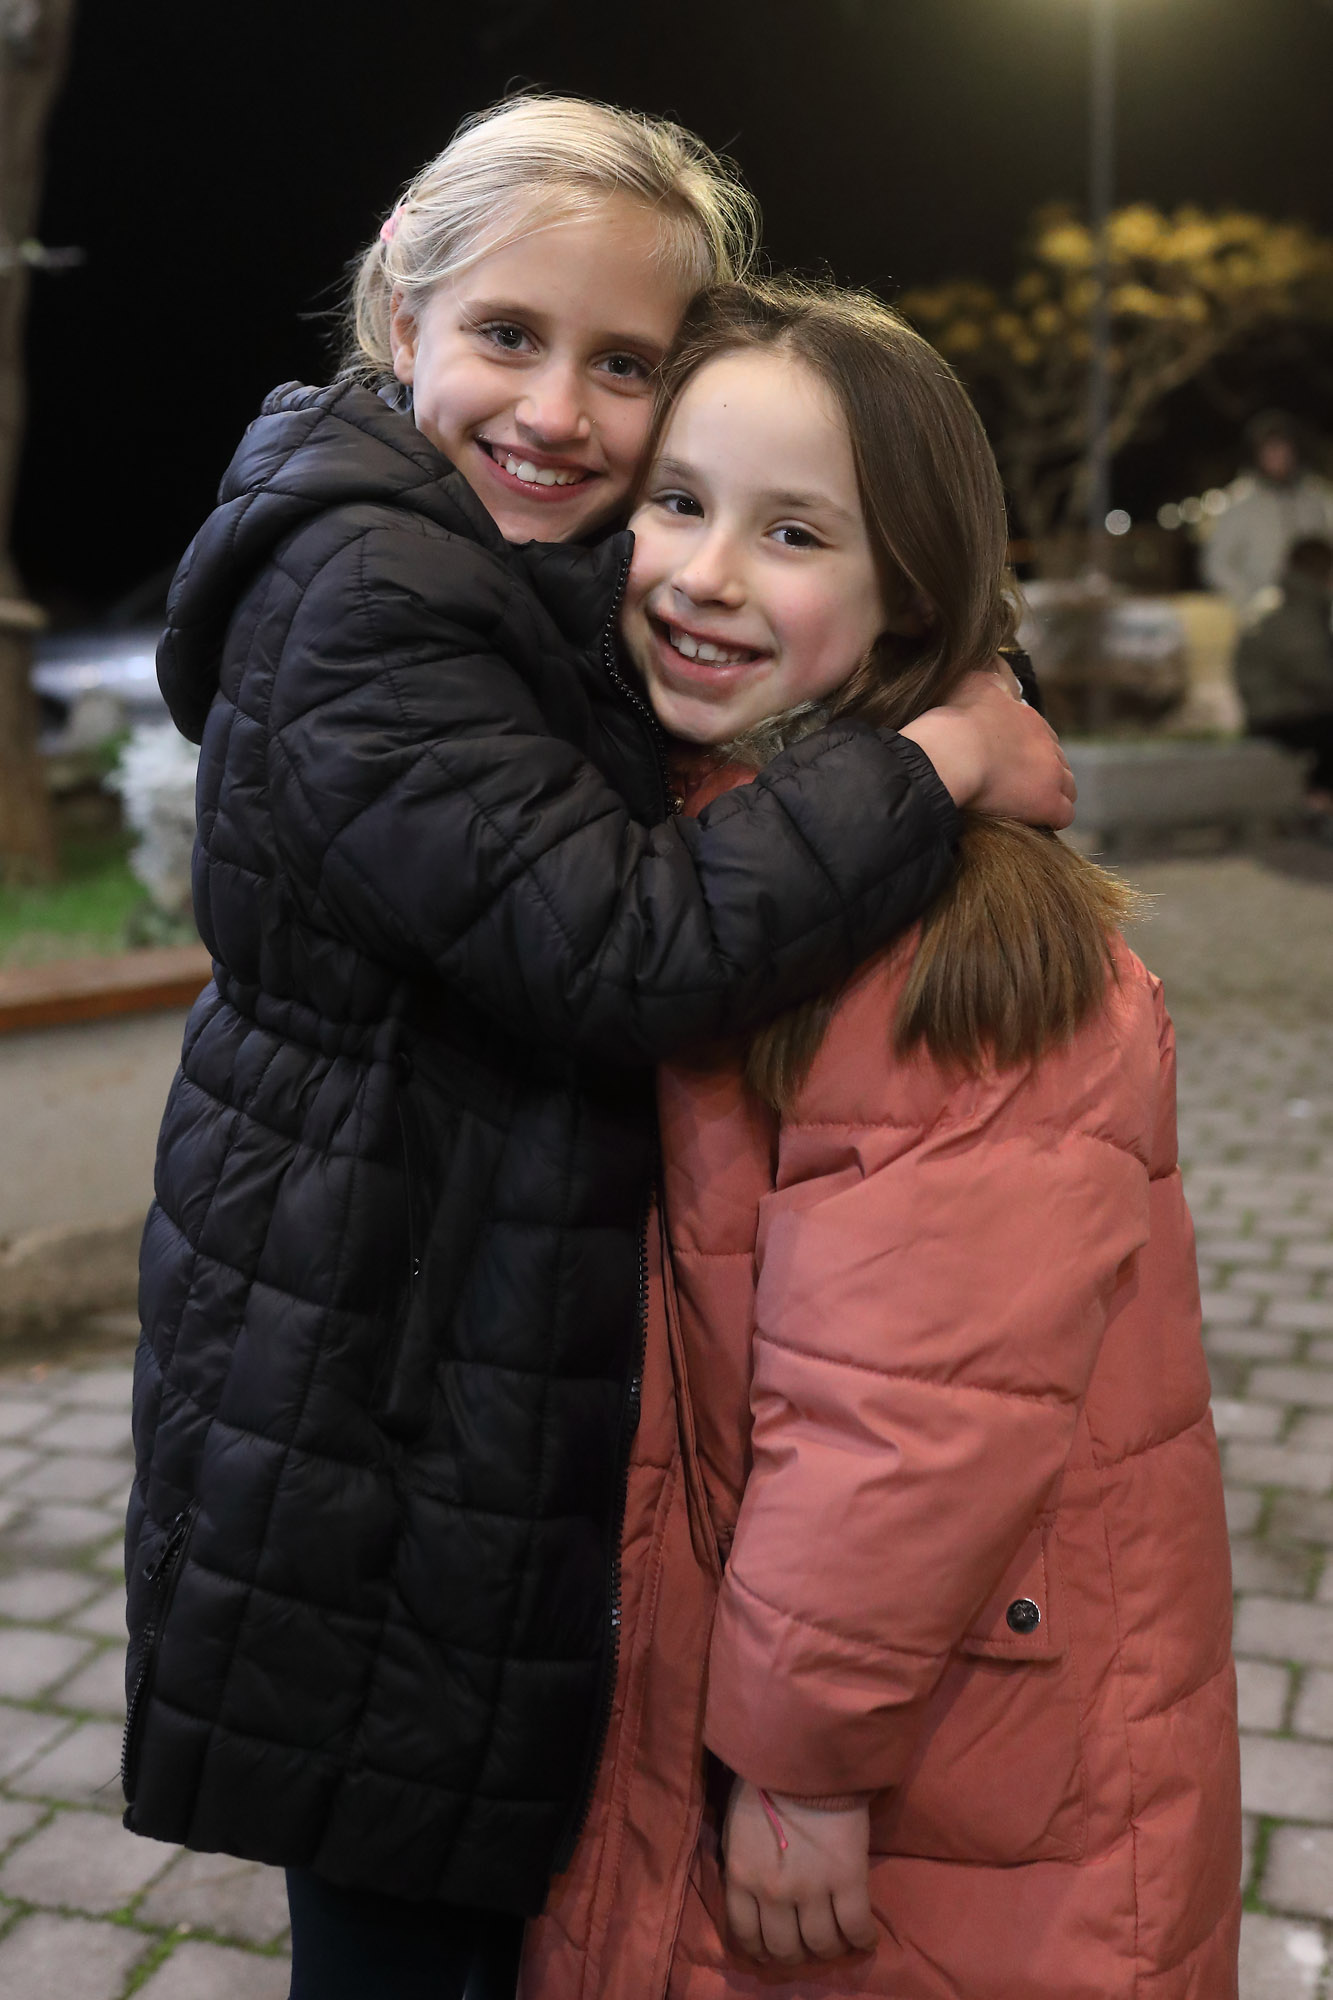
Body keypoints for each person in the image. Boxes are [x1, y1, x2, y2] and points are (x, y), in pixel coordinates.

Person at [123, 97, 1073, 2000]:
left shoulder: (488, 557)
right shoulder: (367, 592)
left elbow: (758, 622)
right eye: (508, 335)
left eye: (624, 364)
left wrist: (907, 657)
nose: (559, 411)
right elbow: (627, 945)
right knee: (407, 1918)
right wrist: (934, 755)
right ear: (403, 298)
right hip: (375, 1376)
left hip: (421, 1340)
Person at [525, 279, 1240, 2000]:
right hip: (864, 1688)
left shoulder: (948, 936)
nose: (703, 574)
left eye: (791, 534)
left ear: (910, 588)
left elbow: (911, 1420)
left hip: (936, 1766)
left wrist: (800, 1760)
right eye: (677, 504)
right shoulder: (726, 857)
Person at [1234, 535, 1333, 823]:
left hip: (1277, 712)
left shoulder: (1286, 605)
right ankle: (1318, 805)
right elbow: (1317, 676)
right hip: (1279, 717)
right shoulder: (1295, 614)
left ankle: (1318, 801)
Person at [1202, 410, 1333, 615]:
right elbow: (1216, 564)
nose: (1278, 457)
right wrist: (1251, 599)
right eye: (1270, 450)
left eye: (1283, 448)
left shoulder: (1316, 497)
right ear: (1257, 454)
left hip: (1314, 610)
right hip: (1261, 615)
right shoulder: (1240, 502)